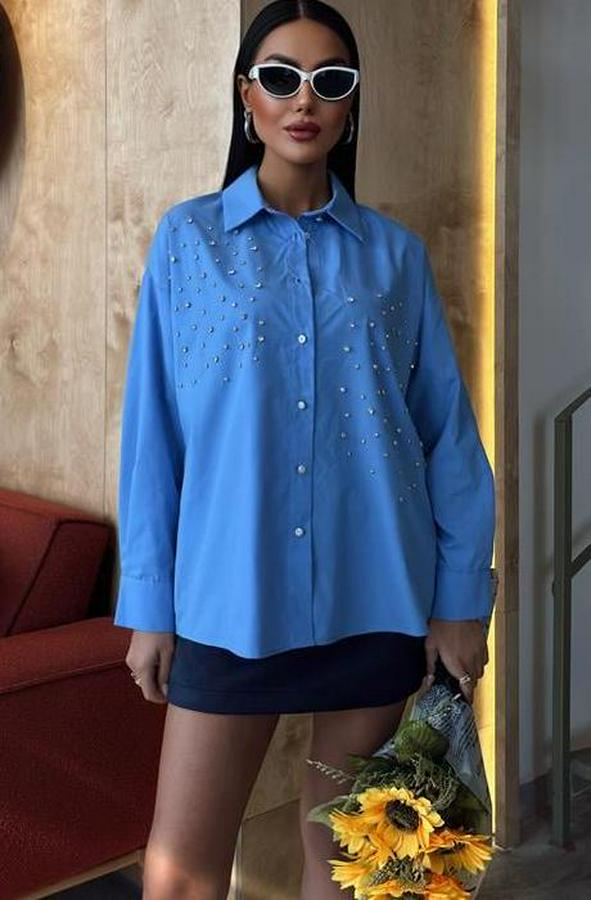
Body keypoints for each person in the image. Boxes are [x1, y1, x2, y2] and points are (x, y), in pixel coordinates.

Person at [113, 1, 496, 897]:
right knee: (181, 870)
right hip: (225, 601)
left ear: (351, 103)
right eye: (281, 77)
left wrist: (459, 602)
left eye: (330, 80)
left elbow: (444, 436)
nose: (304, 99)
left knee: (350, 866)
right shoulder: (187, 242)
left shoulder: (394, 257)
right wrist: (150, 605)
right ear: (246, 95)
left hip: (377, 594)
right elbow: (153, 436)